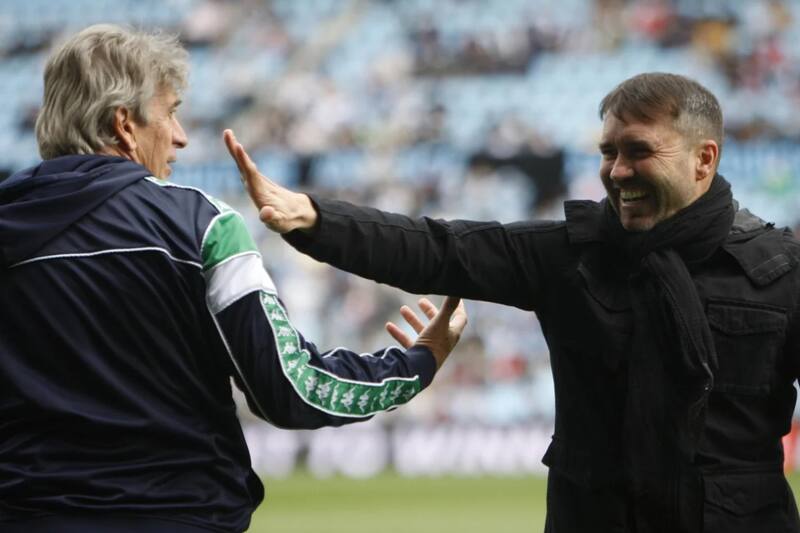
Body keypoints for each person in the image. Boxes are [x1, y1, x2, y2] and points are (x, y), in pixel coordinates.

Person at [226, 72, 800, 533]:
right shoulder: (567, 257)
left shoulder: (781, 270)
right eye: (608, 151)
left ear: (705, 159)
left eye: (639, 151)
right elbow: (438, 248)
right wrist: (315, 220)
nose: (617, 171)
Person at [0, 24, 467, 533]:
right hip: (177, 514)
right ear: (125, 125)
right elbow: (291, 389)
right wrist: (417, 362)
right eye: (171, 112)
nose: (180, 136)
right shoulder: (198, 223)